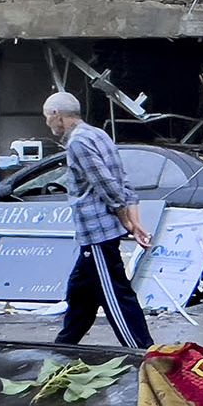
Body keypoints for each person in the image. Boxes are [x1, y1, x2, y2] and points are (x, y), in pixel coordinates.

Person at [43, 91, 156, 349]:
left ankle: (140, 350)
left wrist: (126, 219)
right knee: (80, 291)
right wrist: (133, 220)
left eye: (47, 118)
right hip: (93, 234)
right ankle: (64, 346)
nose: (48, 124)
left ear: (56, 115)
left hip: (97, 233)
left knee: (115, 294)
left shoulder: (78, 143)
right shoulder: (98, 134)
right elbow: (122, 180)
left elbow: (106, 184)